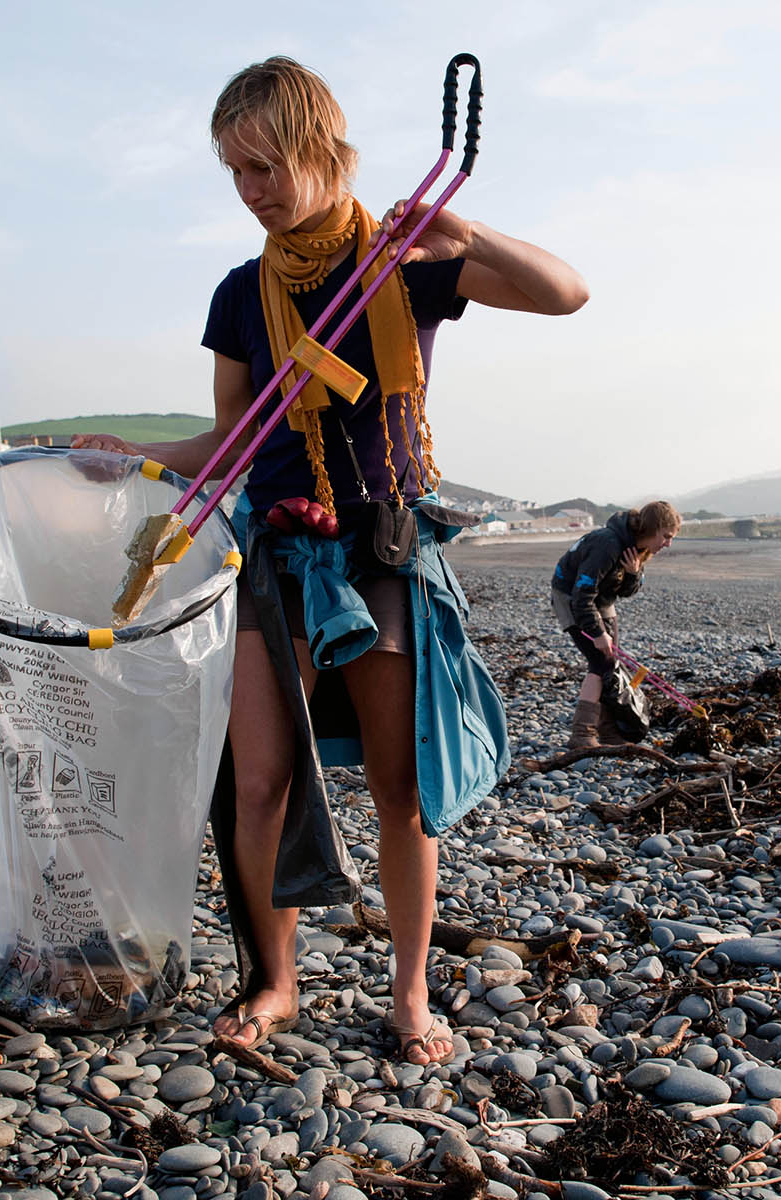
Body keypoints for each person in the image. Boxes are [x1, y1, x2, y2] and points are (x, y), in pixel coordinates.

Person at [75, 56, 586, 1066]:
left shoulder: (403, 262)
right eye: (235, 173)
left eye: (266, 165)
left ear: (322, 152)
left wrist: (465, 235)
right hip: (277, 555)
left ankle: (407, 993)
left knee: (399, 790)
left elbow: (567, 294)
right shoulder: (239, 295)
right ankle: (275, 982)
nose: (252, 191)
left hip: (382, 551)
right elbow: (225, 445)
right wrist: (126, 458)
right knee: (257, 782)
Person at [550, 502, 681, 749]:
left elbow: (626, 592)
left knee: (611, 663)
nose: (668, 543)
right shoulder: (607, 544)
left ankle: (609, 734)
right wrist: (597, 633)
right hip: (571, 596)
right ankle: (581, 734)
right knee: (600, 662)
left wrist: (632, 574)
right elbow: (581, 596)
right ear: (654, 528)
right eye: (666, 536)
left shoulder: (638, 550)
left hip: (603, 599)